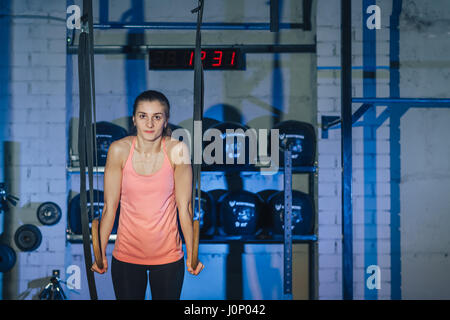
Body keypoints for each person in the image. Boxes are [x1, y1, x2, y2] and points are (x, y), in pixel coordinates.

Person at [91, 90, 204, 300]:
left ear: (165, 120)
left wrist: (191, 255)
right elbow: (109, 207)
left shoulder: (177, 150)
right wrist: (100, 253)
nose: (149, 124)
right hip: (126, 256)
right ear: (134, 119)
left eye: (157, 117)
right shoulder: (119, 150)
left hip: (169, 257)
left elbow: (185, 207)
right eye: (143, 116)